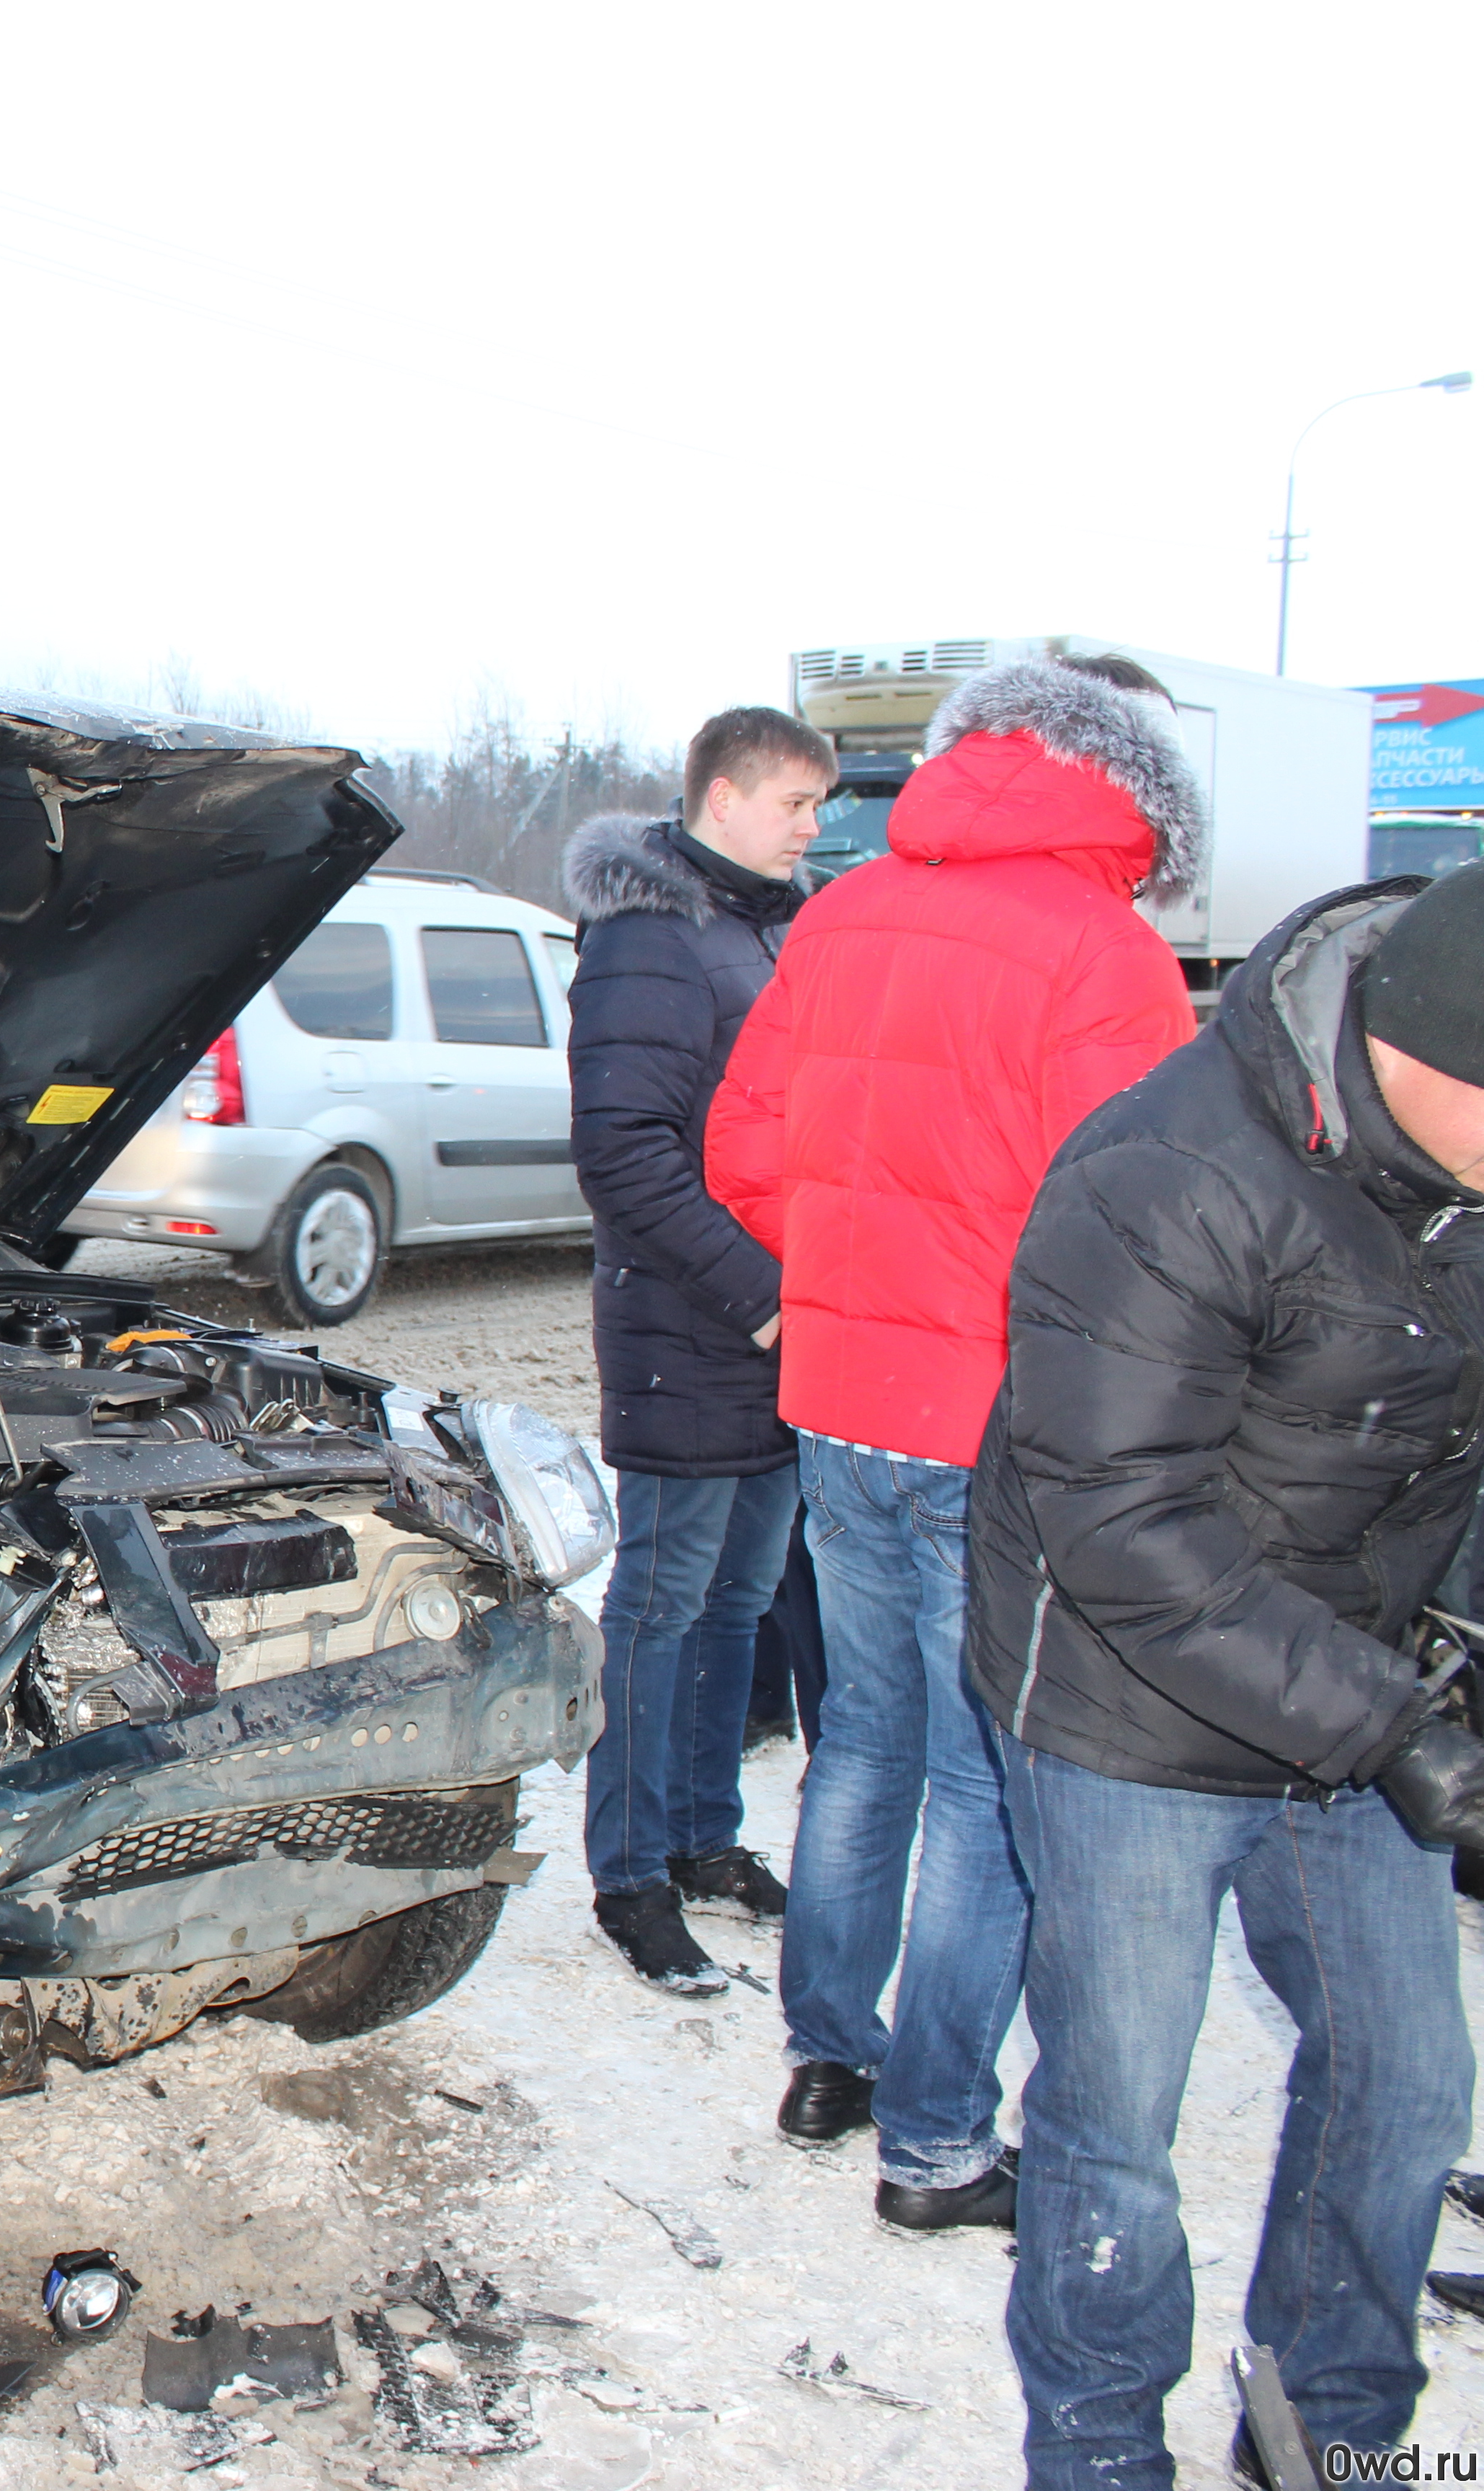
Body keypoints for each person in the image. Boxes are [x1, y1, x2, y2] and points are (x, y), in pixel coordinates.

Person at [972, 869, 1484, 2487]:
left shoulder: (1458, 1174)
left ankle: (1332, 2433)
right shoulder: (1169, 1172)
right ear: (1423, 1055)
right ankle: (1103, 2447)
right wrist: (1395, 1724)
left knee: (1408, 2089)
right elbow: (1123, 1520)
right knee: (1118, 2124)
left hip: (1353, 1679)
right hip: (1131, 1705)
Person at [706, 654, 1202, 2220]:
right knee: (990, 1781)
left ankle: (828, 2059)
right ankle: (933, 2141)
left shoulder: (844, 912)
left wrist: (848, 1276)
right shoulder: (1105, 950)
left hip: (843, 1398)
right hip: (1000, 1425)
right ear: (1127, 781)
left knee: (863, 1738)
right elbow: (1139, 1232)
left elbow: (745, 1146)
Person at [560, 708, 825, 1994]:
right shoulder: (649, 936)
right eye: (797, 803)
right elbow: (624, 1154)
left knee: (743, 1601)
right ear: (726, 798)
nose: (813, 827)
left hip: (790, 1331)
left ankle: (704, 1835)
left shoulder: (778, 928)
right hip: (694, 1326)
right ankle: (630, 1873)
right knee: (659, 1610)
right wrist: (761, 1297)